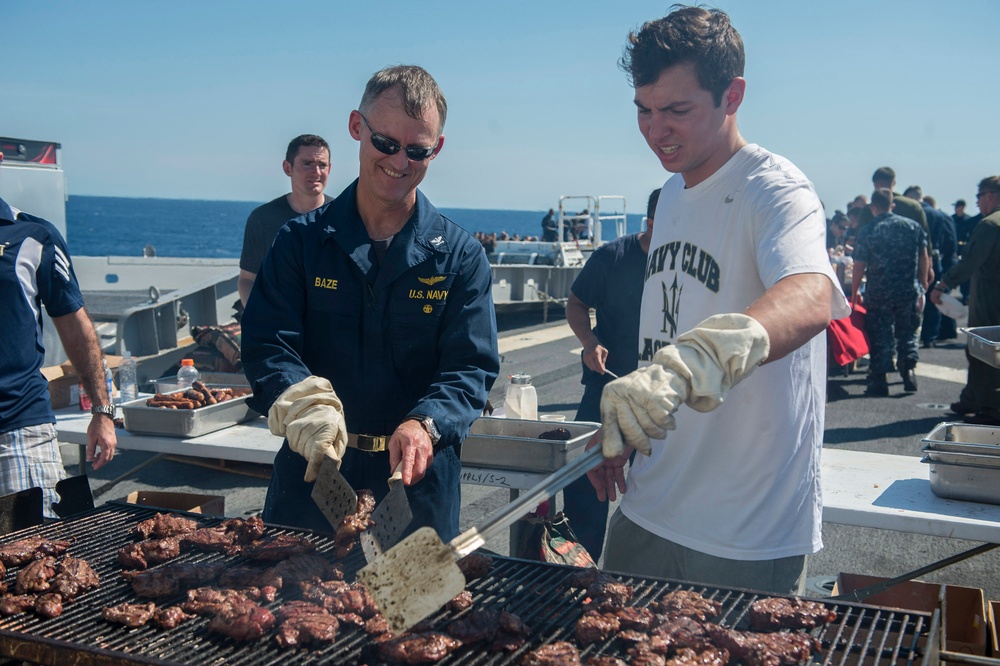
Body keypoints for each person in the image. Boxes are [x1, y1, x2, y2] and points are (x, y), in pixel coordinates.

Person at [587, 6, 849, 595]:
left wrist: (698, 359)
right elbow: (671, 322)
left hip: (745, 530)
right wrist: (631, 421)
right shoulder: (674, 193)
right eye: (644, 112)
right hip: (649, 502)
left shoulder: (775, 189)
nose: (656, 132)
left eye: (677, 111)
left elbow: (810, 294)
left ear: (732, 95)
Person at [241, 66, 500, 541]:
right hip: (313, 474)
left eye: (417, 150)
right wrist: (304, 406)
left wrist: (427, 423)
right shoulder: (299, 243)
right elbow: (266, 343)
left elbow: (470, 367)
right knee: (287, 608)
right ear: (357, 128)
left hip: (415, 483)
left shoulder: (460, 257)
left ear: (436, 148)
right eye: (386, 143)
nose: (400, 162)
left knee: (413, 614)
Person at [0, 151, 117, 518]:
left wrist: (102, 410)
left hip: (18, 429)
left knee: (45, 554)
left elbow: (75, 327)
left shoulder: (33, 235)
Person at [562, 188, 658, 561]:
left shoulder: (686, 261)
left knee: (657, 490)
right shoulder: (611, 256)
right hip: (606, 389)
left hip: (664, 398)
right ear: (650, 223)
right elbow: (576, 303)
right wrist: (588, 342)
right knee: (585, 484)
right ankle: (579, 574)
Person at [932, 176, 1000, 425]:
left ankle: (991, 406)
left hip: (990, 298)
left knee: (983, 351)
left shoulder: (990, 225)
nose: (978, 203)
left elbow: (970, 262)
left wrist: (943, 284)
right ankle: (971, 398)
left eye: (979, 197)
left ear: (989, 195)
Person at [238, 134, 332, 307]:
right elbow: (248, 279)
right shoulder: (262, 219)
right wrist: (259, 319)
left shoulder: (344, 216)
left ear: (330, 168)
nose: (317, 172)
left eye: (322, 165)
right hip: (280, 325)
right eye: (307, 164)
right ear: (288, 168)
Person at [851, 189, 930, 396]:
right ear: (892, 205)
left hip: (879, 291)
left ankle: (879, 379)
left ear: (873, 207)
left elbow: (859, 264)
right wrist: (922, 282)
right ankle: (908, 370)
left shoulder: (868, 230)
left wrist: (854, 290)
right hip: (907, 290)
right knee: (908, 332)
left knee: (880, 334)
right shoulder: (912, 227)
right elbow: (924, 256)